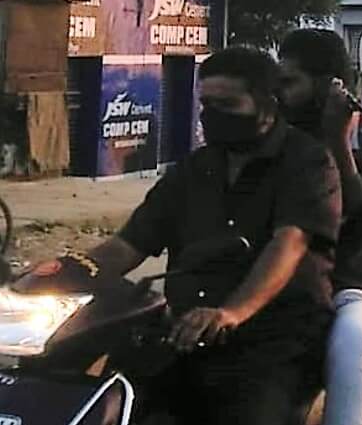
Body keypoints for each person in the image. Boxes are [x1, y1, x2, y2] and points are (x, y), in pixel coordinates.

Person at [57, 47, 341, 425]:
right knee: (108, 404)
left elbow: (288, 244)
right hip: (183, 336)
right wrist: (60, 273)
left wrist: (232, 312)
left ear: (268, 105)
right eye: (206, 103)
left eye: (227, 104)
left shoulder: (308, 162)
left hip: (273, 343)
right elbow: (128, 245)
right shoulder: (193, 170)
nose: (212, 114)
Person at [278, 29, 362, 425]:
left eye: (290, 82)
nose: (279, 93)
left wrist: (337, 140)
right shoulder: (278, 140)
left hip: (360, 290)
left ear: (329, 87)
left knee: (351, 338)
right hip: (286, 285)